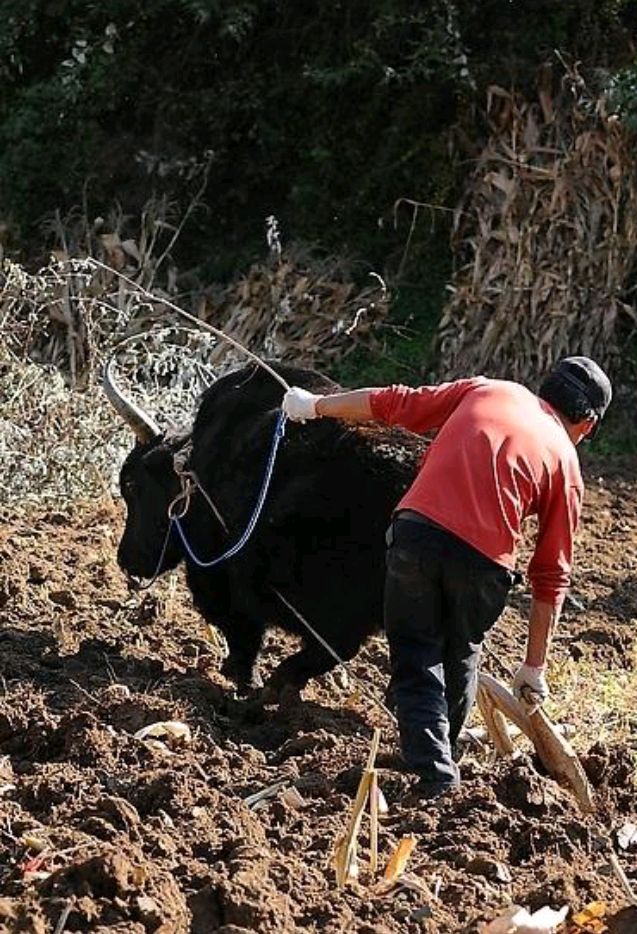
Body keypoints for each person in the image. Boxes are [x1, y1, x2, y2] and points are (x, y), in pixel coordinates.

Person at [281, 357, 612, 797]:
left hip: (416, 537)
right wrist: (534, 666)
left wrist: (315, 405)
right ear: (586, 425)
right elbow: (551, 575)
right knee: (460, 657)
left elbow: (394, 403)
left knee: (417, 656)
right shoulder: (567, 465)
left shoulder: (488, 389)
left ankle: (434, 770)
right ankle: (438, 766)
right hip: (486, 567)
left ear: (543, 388)